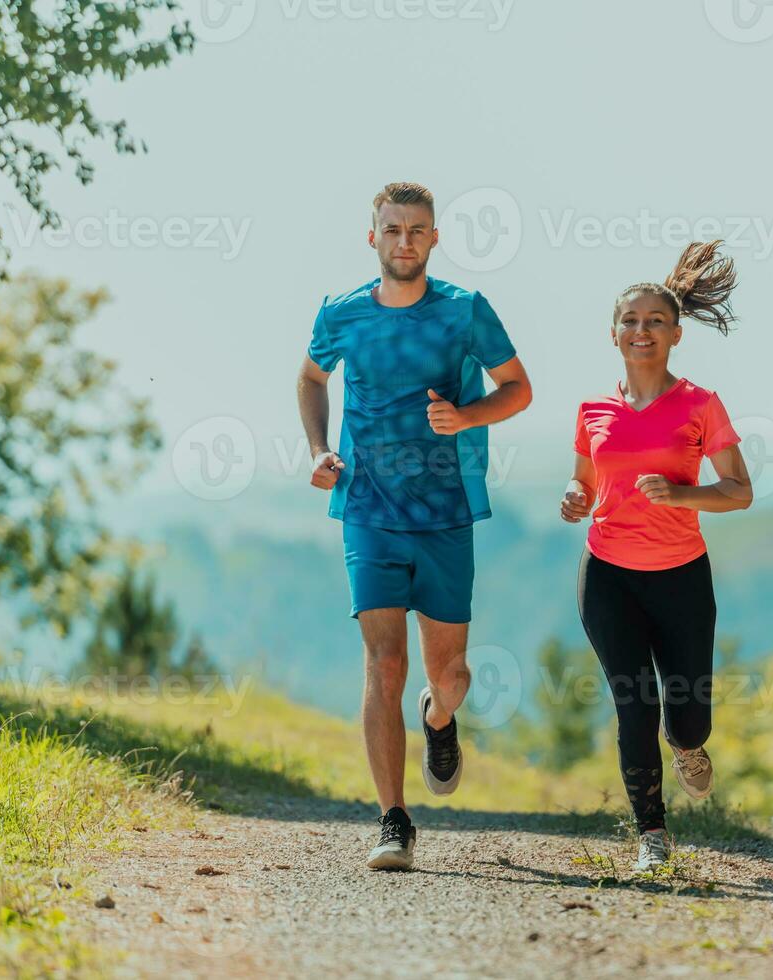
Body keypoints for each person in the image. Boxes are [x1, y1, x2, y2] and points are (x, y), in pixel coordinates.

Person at [298, 182, 532, 870]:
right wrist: (319, 451)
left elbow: (518, 388)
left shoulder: (464, 311)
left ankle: (439, 716)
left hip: (444, 513)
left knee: (449, 671)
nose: (404, 241)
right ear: (372, 237)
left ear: (434, 239)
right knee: (383, 661)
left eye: (417, 230)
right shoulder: (340, 313)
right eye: (392, 229)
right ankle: (393, 820)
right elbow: (311, 378)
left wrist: (467, 417)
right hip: (367, 508)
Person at [560, 241, 753, 872]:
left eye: (654, 322)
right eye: (630, 321)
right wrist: (574, 495)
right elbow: (586, 481)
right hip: (608, 574)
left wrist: (679, 493)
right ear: (613, 333)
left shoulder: (700, 404)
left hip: (680, 577)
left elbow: (738, 490)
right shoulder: (593, 410)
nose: (641, 331)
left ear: (675, 334)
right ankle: (652, 835)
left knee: (687, 712)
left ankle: (689, 746)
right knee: (631, 700)